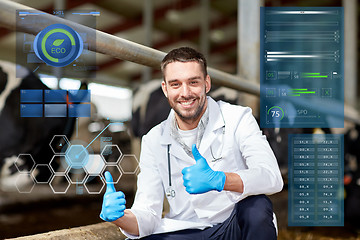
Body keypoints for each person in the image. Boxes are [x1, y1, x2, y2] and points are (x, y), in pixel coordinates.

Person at [100, 47, 283, 239]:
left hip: (232, 226)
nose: (185, 93)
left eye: (193, 82)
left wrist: (221, 180)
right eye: (175, 84)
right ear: (165, 89)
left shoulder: (238, 118)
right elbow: (148, 214)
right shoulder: (153, 139)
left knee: (257, 207)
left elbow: (271, 177)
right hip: (184, 230)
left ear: (207, 83)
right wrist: (119, 218)